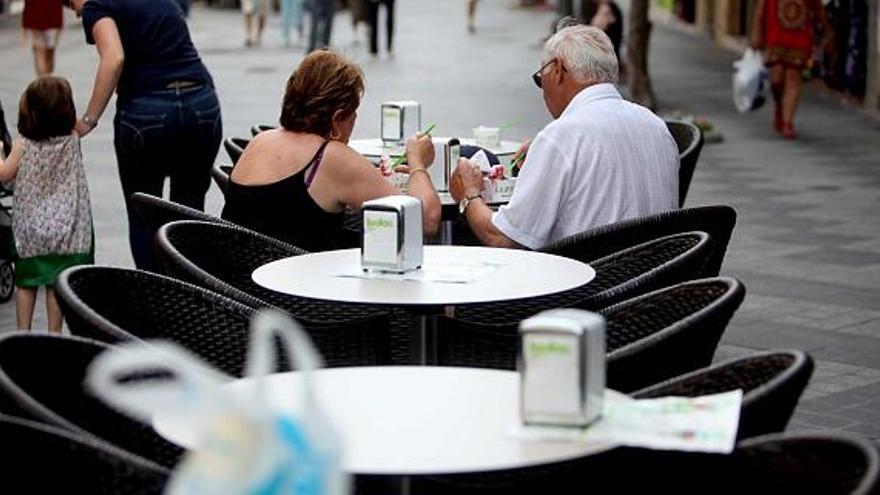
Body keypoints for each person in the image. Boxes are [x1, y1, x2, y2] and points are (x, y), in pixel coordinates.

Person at [450, 25, 678, 249]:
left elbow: (504, 239)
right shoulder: (657, 126)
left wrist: (468, 194)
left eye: (540, 79)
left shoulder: (561, 137)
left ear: (557, 69)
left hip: (587, 280)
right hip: (656, 278)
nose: (542, 90)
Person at [222, 50, 440, 251]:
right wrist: (417, 162)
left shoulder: (260, 141)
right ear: (337, 119)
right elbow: (426, 220)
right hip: (295, 288)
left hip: (234, 282)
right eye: (354, 113)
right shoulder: (329, 157)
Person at [64, 0, 222, 272]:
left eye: (69, 4)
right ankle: (190, 299)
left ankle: (156, 300)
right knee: (190, 213)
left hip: (147, 108)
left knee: (143, 214)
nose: (76, 12)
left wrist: (88, 119)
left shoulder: (96, 6)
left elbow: (114, 58)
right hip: (201, 104)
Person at [0, 76, 93, 332]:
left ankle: (22, 333)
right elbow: (79, 122)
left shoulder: (21, 146)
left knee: (26, 283)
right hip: (67, 229)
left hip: (30, 231)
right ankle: (55, 334)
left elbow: (4, 175)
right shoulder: (72, 141)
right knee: (55, 282)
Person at [751, 0, 831, 139]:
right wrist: (757, 32)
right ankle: (779, 107)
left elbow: (817, 6)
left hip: (801, 33)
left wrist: (825, 27)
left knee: (793, 75)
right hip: (775, 31)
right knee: (776, 80)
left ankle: (788, 123)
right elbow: (761, 4)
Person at [22, 0, 64, 76]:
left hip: (34, 10)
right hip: (53, 11)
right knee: (50, 52)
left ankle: (43, 83)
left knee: (39, 52)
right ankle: (48, 82)